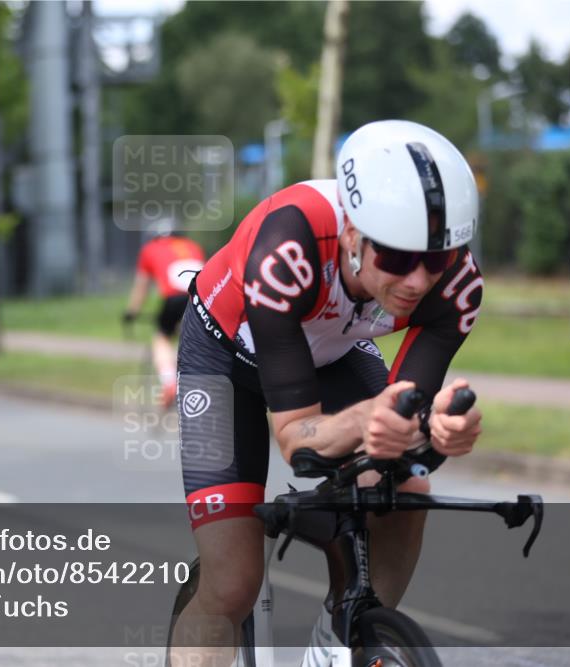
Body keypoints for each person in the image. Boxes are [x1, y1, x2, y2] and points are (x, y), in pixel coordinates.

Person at [168, 120, 485, 666]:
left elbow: (405, 410)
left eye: (434, 259)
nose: (416, 282)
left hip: (330, 351)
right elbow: (296, 436)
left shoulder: (457, 287)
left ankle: (344, 637)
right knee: (233, 582)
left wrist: (435, 428)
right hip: (224, 355)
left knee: (407, 488)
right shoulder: (288, 243)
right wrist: (368, 419)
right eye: (396, 258)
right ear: (352, 236)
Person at [123, 220, 206, 407]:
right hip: (201, 297)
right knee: (198, 338)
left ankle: (170, 383)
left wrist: (132, 311)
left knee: (161, 338)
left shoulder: (150, 249)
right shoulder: (192, 246)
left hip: (174, 299)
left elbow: (141, 286)